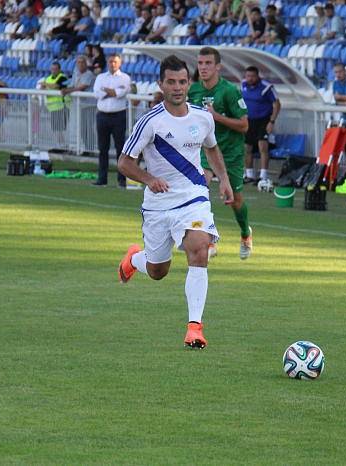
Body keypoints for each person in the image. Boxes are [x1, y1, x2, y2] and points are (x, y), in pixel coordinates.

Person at [116, 54, 234, 349]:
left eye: (182, 81)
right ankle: (133, 259)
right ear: (161, 84)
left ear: (189, 83)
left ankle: (195, 327)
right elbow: (124, 162)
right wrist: (148, 179)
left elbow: (213, 150)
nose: (178, 87)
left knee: (199, 249)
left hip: (194, 197)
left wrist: (224, 180)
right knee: (158, 271)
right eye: (171, 82)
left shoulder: (203, 118)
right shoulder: (150, 122)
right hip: (158, 205)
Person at [188, 47, 252, 260]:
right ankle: (209, 239)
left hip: (230, 153)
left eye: (208, 63)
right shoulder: (194, 90)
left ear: (217, 67)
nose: (203, 67)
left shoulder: (229, 91)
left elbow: (244, 125)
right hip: (206, 151)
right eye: (200, 63)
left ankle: (245, 233)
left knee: (235, 200)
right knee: (199, 193)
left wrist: (216, 117)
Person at [92, 53, 131, 186]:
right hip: (102, 115)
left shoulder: (125, 78)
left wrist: (108, 91)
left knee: (121, 149)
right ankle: (102, 179)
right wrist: (112, 92)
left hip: (118, 115)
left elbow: (120, 94)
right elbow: (97, 94)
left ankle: (122, 179)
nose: (112, 64)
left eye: (115, 62)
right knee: (103, 149)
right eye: (110, 62)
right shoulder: (100, 77)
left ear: (120, 63)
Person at [241, 65, 280, 186]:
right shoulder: (243, 85)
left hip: (263, 120)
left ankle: (263, 176)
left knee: (263, 147)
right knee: (247, 148)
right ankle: (249, 175)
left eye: (252, 76)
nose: (250, 78)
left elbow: (277, 104)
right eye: (248, 76)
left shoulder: (267, 87)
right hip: (249, 120)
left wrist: (271, 121)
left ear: (257, 76)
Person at [62, 55, 95, 154]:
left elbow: (82, 87)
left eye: (82, 62)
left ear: (86, 64)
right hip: (78, 105)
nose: (80, 64)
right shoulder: (76, 72)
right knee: (79, 127)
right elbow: (72, 85)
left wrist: (68, 91)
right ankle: (80, 148)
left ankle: (89, 149)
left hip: (88, 105)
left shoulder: (89, 74)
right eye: (78, 62)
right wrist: (66, 89)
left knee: (87, 127)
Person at [39, 61, 70, 151]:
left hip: (61, 106)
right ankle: (59, 145)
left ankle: (63, 146)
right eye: (52, 69)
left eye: (55, 69)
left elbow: (57, 86)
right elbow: (42, 88)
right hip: (52, 107)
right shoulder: (48, 78)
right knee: (56, 128)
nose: (53, 71)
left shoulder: (62, 77)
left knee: (60, 127)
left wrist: (45, 84)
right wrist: (44, 86)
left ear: (59, 70)